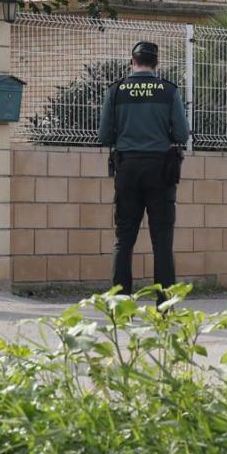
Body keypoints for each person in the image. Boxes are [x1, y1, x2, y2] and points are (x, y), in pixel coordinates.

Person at [98, 40, 189, 294]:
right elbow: (182, 133)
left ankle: (120, 304)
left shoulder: (116, 91)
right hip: (161, 170)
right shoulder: (168, 91)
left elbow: (104, 135)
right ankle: (164, 308)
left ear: (132, 62)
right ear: (156, 63)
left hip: (127, 168)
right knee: (162, 241)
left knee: (124, 239)